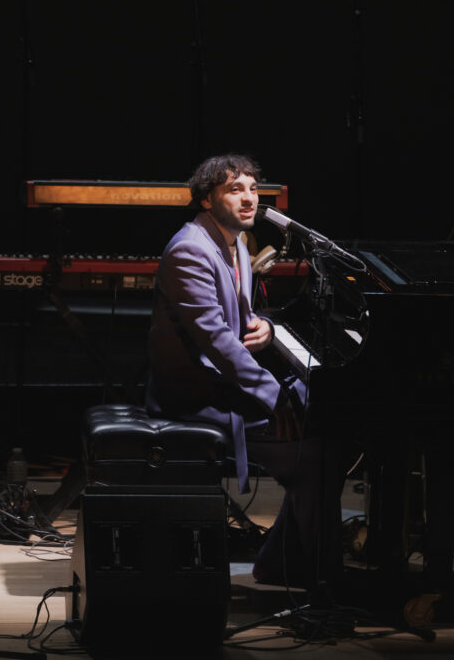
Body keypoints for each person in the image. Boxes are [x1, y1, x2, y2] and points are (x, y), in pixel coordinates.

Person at [145, 153, 347, 592]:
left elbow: (241, 317)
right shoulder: (189, 251)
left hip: (226, 385)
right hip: (197, 397)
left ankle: (286, 562)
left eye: (254, 189)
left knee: (331, 420)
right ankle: (317, 577)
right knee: (314, 453)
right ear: (205, 200)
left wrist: (268, 327)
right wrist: (275, 395)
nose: (249, 198)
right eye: (235, 190)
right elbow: (217, 341)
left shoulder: (235, 241)